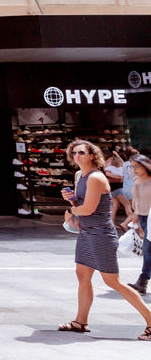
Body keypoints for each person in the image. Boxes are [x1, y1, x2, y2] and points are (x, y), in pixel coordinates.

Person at [58, 139, 151, 340]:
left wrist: (68, 209)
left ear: (92, 155)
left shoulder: (96, 177)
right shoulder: (79, 175)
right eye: (74, 153)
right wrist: (72, 199)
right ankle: (80, 321)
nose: (77, 156)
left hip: (101, 234)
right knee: (82, 275)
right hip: (86, 233)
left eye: (81, 152)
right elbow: (82, 203)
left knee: (112, 281)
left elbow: (88, 209)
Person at [127, 154, 151, 295]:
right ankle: (142, 282)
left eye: (137, 166)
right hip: (142, 217)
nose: (134, 169)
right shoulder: (136, 180)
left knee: (147, 249)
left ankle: (142, 281)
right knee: (147, 250)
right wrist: (135, 218)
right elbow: (136, 202)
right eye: (132, 166)